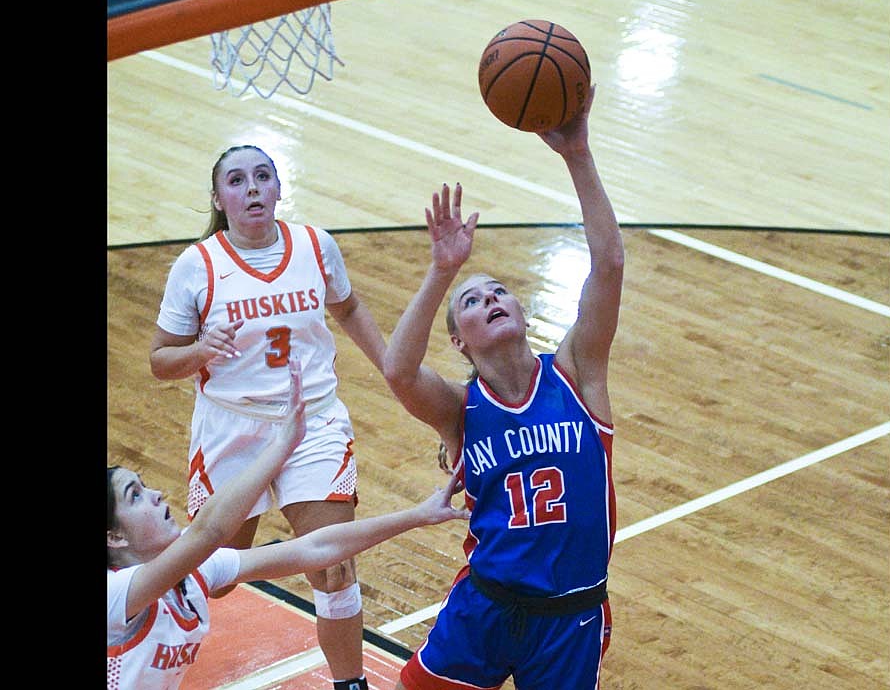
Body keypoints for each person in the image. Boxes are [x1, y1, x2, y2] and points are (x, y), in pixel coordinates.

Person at [383, 85, 624, 690]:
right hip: (485, 608)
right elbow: (399, 372)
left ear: (519, 309)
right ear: (460, 341)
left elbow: (610, 266)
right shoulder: (460, 410)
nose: (489, 298)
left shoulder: (577, 373)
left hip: (570, 616)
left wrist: (578, 155)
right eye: (473, 299)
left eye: (498, 291)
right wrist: (443, 271)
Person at [149, 144, 387, 690]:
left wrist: (393, 368)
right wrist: (199, 352)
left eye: (263, 176)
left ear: (279, 189)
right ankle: (130, 624)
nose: (252, 187)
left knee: (332, 563)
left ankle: (350, 684)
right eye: (237, 180)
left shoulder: (314, 245)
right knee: (217, 574)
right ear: (219, 197)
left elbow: (346, 306)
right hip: (232, 429)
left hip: (312, 422)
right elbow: (161, 361)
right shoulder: (198, 264)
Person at [108, 358, 470, 690]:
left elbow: (316, 548)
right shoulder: (115, 595)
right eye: (134, 496)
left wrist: (416, 516)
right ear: (114, 536)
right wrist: (281, 445)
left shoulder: (196, 573)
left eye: (144, 484)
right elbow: (209, 531)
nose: (155, 494)